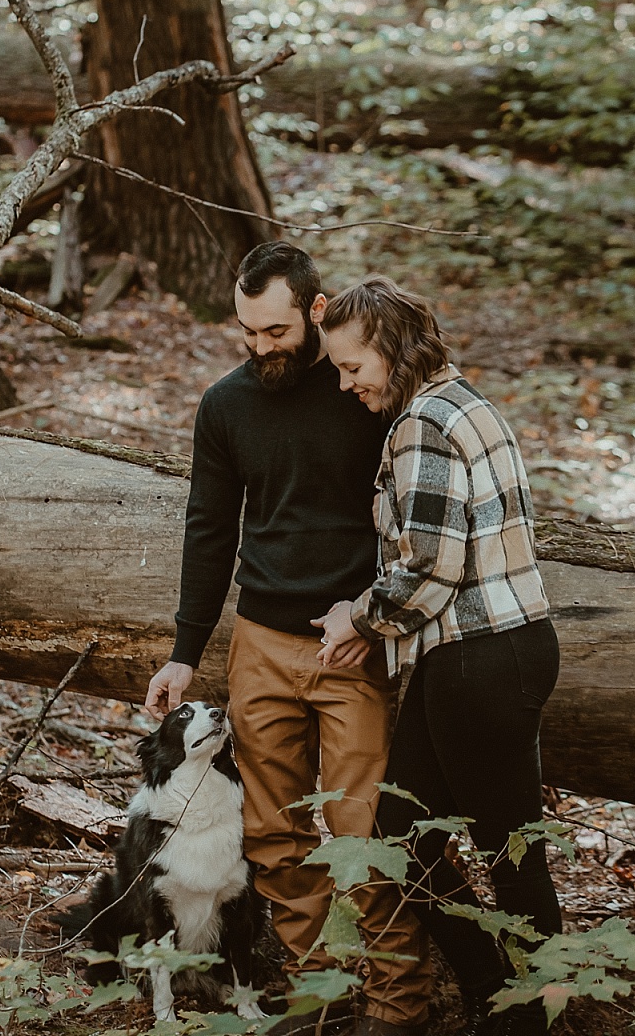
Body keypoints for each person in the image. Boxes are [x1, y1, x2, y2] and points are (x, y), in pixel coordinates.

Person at [144, 244, 433, 1036]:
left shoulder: (363, 391)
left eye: (274, 331)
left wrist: (375, 620)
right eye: (247, 332)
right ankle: (320, 990)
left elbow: (412, 519)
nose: (260, 347)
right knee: (272, 834)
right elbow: (209, 529)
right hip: (260, 642)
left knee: (363, 827)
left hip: (353, 644)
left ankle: (398, 1003)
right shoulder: (225, 404)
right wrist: (183, 649)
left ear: (314, 310)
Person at [313, 275, 562, 1036]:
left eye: (355, 368)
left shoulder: (423, 422)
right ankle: (495, 988)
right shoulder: (464, 402)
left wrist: (357, 617)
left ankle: (533, 1016)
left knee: (509, 853)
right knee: (396, 836)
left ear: (390, 346)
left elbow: (430, 566)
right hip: (481, 655)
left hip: (480, 660)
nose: (349, 385)